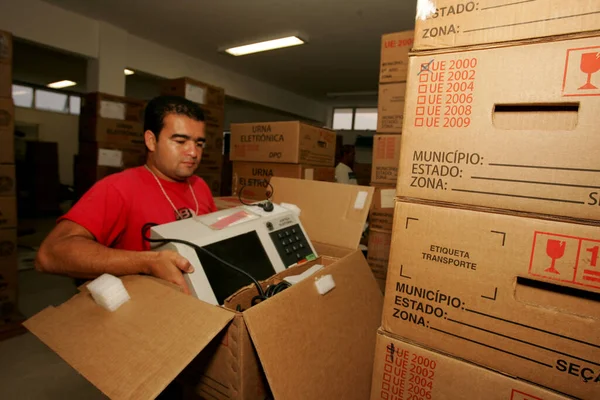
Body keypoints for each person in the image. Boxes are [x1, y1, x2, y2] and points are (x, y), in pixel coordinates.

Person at [35, 95, 217, 295]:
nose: (193, 152)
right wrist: (146, 262)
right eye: (181, 141)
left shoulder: (199, 186)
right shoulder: (118, 188)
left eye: (199, 143)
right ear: (151, 140)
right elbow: (50, 253)